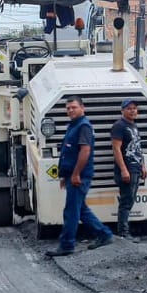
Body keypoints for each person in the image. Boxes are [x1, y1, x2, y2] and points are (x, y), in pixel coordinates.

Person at [45, 96, 114, 257]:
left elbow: (85, 151)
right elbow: (68, 152)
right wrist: (64, 176)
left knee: (71, 211)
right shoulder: (73, 126)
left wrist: (76, 174)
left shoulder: (83, 127)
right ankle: (104, 234)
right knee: (81, 210)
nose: (70, 110)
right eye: (68, 108)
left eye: (74, 107)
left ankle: (67, 245)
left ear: (82, 108)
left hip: (79, 176)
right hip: (72, 175)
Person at [110, 99, 146, 238]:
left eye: (134, 108)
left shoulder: (134, 126)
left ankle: (125, 231)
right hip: (127, 169)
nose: (132, 110)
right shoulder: (119, 126)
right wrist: (124, 169)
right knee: (126, 201)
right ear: (122, 110)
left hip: (136, 168)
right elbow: (116, 149)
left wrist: (143, 166)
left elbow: (138, 147)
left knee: (130, 199)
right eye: (129, 108)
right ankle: (123, 233)